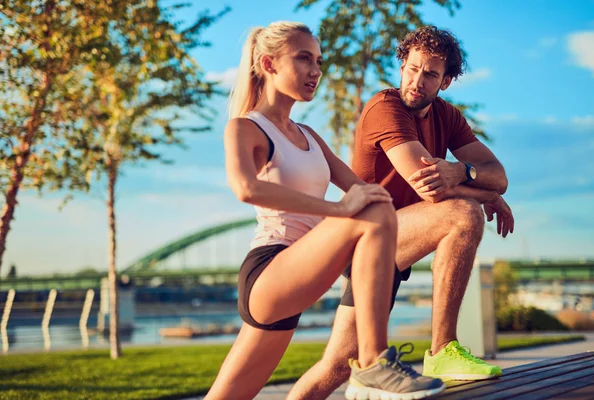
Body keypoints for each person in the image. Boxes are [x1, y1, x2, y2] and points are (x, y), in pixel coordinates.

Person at [204, 21, 445, 400]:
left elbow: (365, 191)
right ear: (268, 64)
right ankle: (372, 364)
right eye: (303, 59)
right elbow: (246, 189)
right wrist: (335, 209)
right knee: (373, 213)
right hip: (270, 272)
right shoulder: (246, 129)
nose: (316, 70)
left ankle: (371, 364)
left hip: (301, 275)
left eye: (319, 60)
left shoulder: (310, 137)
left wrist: (474, 192)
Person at [289, 25, 515, 399]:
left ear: (445, 81)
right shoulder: (385, 106)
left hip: (393, 245)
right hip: (362, 238)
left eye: (430, 74)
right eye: (412, 68)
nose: (417, 81)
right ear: (401, 66)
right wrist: (484, 195)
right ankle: (442, 351)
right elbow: (425, 183)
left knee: (339, 364)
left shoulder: (448, 116)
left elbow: (499, 175)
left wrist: (464, 172)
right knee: (464, 213)